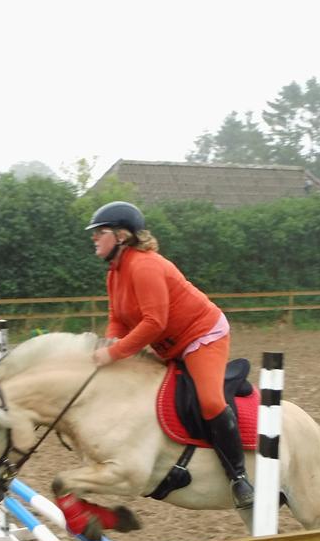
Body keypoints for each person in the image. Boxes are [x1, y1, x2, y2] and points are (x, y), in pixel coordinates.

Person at [85, 201, 255, 509]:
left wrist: (115, 353)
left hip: (202, 335)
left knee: (210, 401)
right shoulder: (115, 273)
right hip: (169, 345)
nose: (94, 238)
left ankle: (238, 477)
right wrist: (108, 343)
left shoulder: (145, 265)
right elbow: (118, 318)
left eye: (101, 232)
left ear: (121, 236)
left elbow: (154, 322)